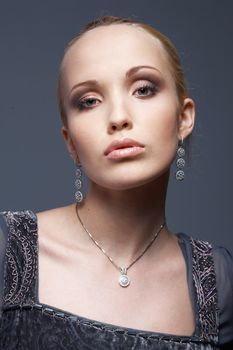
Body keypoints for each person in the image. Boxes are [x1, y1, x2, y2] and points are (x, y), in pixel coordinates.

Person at [0, 15, 232, 350]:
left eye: (143, 89)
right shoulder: (10, 252)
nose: (118, 117)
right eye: (89, 101)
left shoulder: (216, 282)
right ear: (70, 142)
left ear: (184, 118)